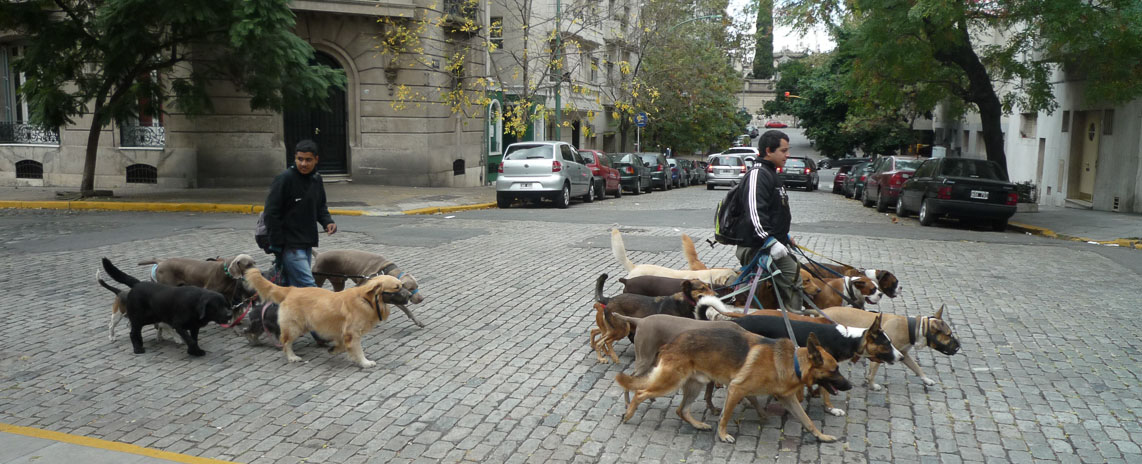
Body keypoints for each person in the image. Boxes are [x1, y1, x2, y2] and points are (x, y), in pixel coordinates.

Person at [735, 130, 803, 312]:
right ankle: (795, 327)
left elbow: (774, 212)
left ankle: (782, 321)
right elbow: (754, 214)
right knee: (794, 279)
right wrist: (770, 242)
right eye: (783, 150)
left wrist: (785, 236)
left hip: (772, 244)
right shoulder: (758, 174)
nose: (787, 155)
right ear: (768, 150)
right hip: (758, 247)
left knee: (780, 285)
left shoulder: (770, 173)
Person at [263, 139, 336, 287]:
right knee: (309, 288)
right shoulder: (284, 179)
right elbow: (271, 213)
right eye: (300, 159)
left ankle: (283, 310)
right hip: (290, 246)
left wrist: (327, 221)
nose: (303, 164)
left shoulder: (316, 179)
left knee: (294, 289)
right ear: (295, 158)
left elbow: (320, 205)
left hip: (306, 242)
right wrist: (278, 245)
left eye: (308, 160)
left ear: (316, 159)